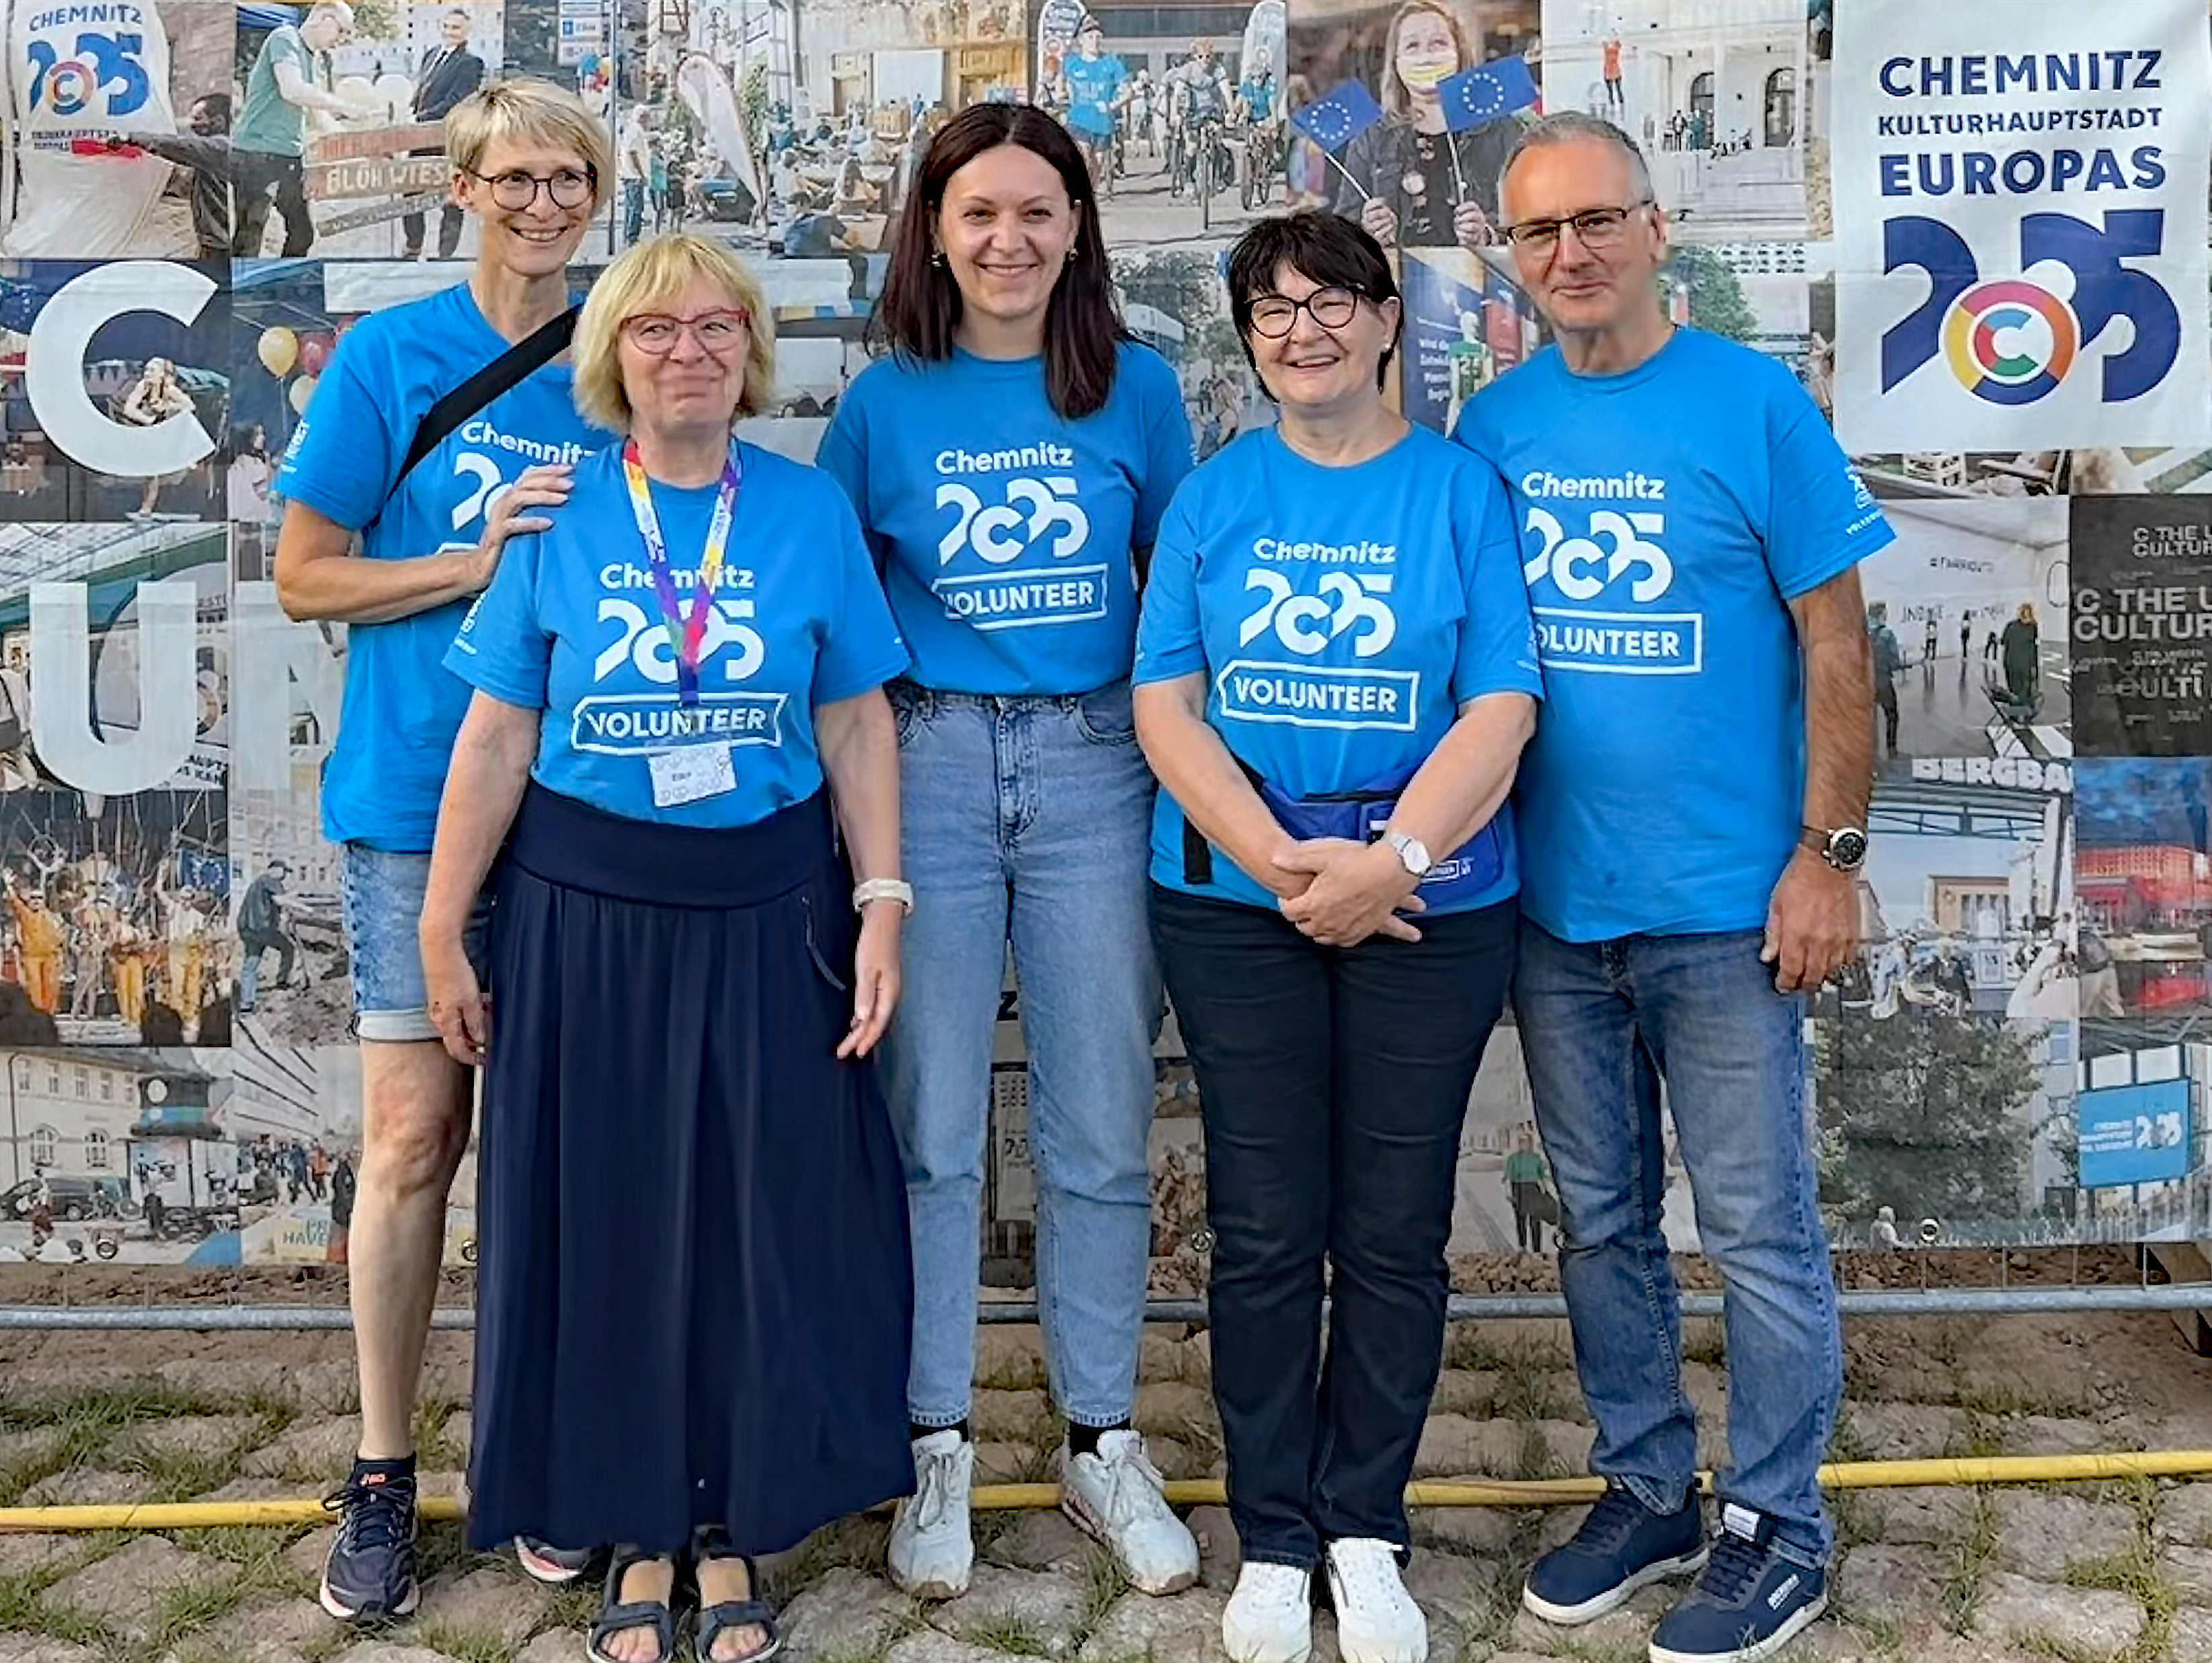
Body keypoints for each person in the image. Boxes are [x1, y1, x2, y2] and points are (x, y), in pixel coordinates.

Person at [424, 231, 914, 1663]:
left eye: (716, 328)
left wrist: (882, 899)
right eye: (656, 329)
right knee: (616, 1222)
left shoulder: (808, 511)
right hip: (586, 917)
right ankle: (637, 1525)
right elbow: (501, 727)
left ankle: (734, 1521)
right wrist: (445, 927)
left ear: (750, 354)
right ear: (613, 355)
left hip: (772, 910)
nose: (688, 351)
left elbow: (854, 720)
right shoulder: (560, 514)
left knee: (756, 1224)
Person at [1453, 112, 1891, 1663]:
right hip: (1555, 909)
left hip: (1725, 909)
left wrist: (1826, 856)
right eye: (1536, 233)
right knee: (1601, 1221)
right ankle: (1648, 1484)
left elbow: (1841, 648)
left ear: (1652, 227)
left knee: (1761, 1228)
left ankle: (1782, 1526)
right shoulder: (1492, 430)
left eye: (1595, 222)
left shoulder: (1755, 405)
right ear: (1509, 260)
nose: (1568, 254)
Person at [1134, 210, 1537, 1663]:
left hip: (1430, 901)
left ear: (1384, 323)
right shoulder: (1210, 498)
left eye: (1328, 303)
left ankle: (1364, 1524)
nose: (1299, 331)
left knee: (1389, 1226)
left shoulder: (1459, 492)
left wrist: (1392, 863)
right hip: (1238, 904)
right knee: (1259, 1229)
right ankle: (1274, 1526)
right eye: (1269, 310)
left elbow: (1501, 705)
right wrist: (1284, 865)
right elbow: (1166, 704)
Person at [817, 103, 1199, 1604]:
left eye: (1038, 212)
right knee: (932, 1132)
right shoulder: (882, 403)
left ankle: (1101, 1436)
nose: (1008, 240)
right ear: (932, 228)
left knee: (1103, 1120)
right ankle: (934, 1441)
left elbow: (1178, 585)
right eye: (978, 212)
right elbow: (837, 617)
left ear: (1078, 229)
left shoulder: (1139, 391)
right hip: (932, 764)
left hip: (1103, 761)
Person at [271, 77, 614, 1623]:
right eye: (517, 178)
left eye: (571, 178)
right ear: (463, 188)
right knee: (416, 1142)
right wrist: (466, 569)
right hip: (417, 797)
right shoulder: (395, 357)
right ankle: (385, 1465)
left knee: (567, 1151)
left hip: (593, 807)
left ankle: (549, 1450)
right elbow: (302, 575)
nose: (545, 204)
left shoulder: (626, 345)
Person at [1333, 1, 1526, 250]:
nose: (1426, 56)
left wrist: (1488, 235)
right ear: (1396, 62)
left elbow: (1534, 221)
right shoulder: (1372, 138)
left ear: (1459, 53)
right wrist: (1368, 233)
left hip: (1485, 282)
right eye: (1413, 46)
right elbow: (1341, 235)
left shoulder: (1502, 131)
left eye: (1438, 43)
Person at [233, 1, 359, 257]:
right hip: (256, 153)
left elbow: (318, 114)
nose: (342, 40)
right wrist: (341, 103)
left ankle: (282, 283)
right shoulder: (284, 37)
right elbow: (291, 89)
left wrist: (361, 140)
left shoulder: (313, 58)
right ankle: (244, 292)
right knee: (251, 233)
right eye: (342, 31)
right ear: (325, 19)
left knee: (302, 233)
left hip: (289, 157)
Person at [401, 9, 486, 259]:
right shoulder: (431, 55)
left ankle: (445, 254)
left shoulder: (471, 63)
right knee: (411, 189)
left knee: (451, 197)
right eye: (447, 27)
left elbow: (456, 101)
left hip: (447, 141)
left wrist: (421, 118)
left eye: (456, 28)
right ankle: (413, 245)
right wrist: (411, 113)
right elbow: (423, 90)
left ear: (467, 32)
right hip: (419, 139)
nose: (450, 32)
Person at [132, 94, 235, 259]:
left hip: (222, 246)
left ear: (218, 122)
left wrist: (133, 138)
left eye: (198, 118)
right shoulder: (225, 148)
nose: (192, 124)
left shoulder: (221, 148)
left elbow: (180, 147)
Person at [120, 358, 200, 519]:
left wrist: (168, 407)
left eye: (152, 371)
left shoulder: (169, 390)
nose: (147, 374)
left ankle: (188, 455)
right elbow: (129, 409)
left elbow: (190, 406)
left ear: (162, 375)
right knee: (151, 472)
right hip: (148, 432)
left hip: (167, 432)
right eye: (146, 370)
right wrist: (147, 419)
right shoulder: (143, 386)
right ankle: (147, 506)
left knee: (186, 422)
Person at [1061, 17, 1128, 184]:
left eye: (1098, 38)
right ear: (1081, 41)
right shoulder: (1072, 63)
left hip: (1103, 123)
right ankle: (1079, 192)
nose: (1095, 42)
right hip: (1078, 121)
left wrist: (1112, 106)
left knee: (1098, 164)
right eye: (1090, 38)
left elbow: (1128, 92)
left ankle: (1091, 194)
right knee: (1083, 155)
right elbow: (1060, 84)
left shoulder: (1112, 64)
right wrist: (1060, 96)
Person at [236, 859, 297, 1012]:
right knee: (288, 948)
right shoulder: (269, 880)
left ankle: (246, 1003)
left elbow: (276, 904)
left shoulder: (258, 883)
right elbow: (280, 900)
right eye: (284, 872)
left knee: (251, 963)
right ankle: (282, 982)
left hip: (247, 928)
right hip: (261, 928)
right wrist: (304, 907)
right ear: (275, 869)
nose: (285, 876)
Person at [5, 879, 63, 1015]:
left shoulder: (51, 917)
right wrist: (9, 885)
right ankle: (36, 1012)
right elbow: (15, 901)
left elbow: (59, 938)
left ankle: (49, 1012)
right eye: (33, 898)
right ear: (29, 901)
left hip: (50, 957)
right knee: (35, 986)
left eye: (39, 898)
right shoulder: (26, 915)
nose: (37, 901)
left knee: (51, 985)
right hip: (32, 957)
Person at [1505, 1125, 1550, 1254]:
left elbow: (1542, 1176)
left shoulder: (1536, 1158)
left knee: (1535, 1219)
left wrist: (1545, 1190)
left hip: (1533, 1188)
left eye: (1526, 1141)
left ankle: (1537, 1248)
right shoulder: (1513, 1159)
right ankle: (1523, 1246)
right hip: (1518, 1188)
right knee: (1520, 1218)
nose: (1524, 1144)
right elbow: (1509, 1176)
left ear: (1530, 1143)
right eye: (1522, 1142)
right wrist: (1508, 1192)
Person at [1865, 601, 1901, 756]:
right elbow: (1894, 661)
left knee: (1869, 720)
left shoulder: (1862, 633)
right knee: (1892, 716)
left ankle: (1869, 753)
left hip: (1867, 683)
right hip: (1884, 683)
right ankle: (1891, 749)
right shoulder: (1887, 634)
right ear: (1881, 613)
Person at [618, 104, 653, 243]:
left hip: (630, 175)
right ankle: (632, 236)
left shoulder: (631, 130)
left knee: (630, 206)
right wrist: (642, 174)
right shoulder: (636, 131)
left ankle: (628, 234)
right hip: (634, 176)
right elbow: (633, 153)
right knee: (636, 208)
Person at [2001, 602, 2039, 705]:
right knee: (2025, 691)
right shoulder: (2033, 627)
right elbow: (2033, 649)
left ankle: (2015, 711)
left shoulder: (2010, 626)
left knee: (2014, 689)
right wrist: (2034, 667)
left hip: (2011, 663)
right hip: (2024, 665)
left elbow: (2003, 642)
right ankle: (2023, 712)